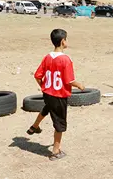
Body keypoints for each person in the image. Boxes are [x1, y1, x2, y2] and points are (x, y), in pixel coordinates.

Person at [26, 29, 85, 161]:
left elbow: (37, 75)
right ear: (63, 41)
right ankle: (55, 151)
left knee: (47, 108)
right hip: (59, 96)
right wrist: (80, 85)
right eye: (67, 39)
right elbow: (69, 80)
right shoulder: (66, 59)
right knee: (60, 124)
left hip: (47, 93)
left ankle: (34, 127)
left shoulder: (47, 57)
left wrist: (43, 86)